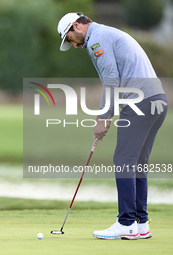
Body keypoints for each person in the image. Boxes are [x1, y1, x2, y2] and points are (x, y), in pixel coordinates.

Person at [57, 12, 168, 240]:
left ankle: (126, 223)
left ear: (76, 26)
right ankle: (141, 224)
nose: (74, 45)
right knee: (136, 163)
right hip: (157, 100)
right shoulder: (108, 33)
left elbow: (111, 80)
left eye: (70, 38)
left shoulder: (97, 39)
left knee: (123, 161)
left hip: (140, 103)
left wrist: (103, 117)